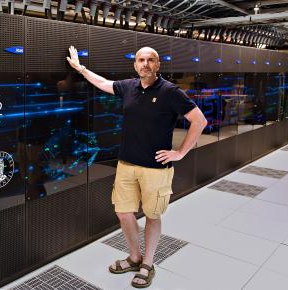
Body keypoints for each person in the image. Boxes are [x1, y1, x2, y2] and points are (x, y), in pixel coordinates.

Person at [66, 46, 207, 288]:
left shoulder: (170, 92)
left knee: (152, 215)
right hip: (126, 164)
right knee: (123, 212)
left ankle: (147, 264)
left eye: (150, 60)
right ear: (135, 65)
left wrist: (180, 153)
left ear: (158, 64)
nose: (145, 64)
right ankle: (134, 257)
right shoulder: (129, 87)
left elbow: (199, 120)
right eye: (141, 60)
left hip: (156, 168)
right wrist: (81, 69)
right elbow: (104, 84)